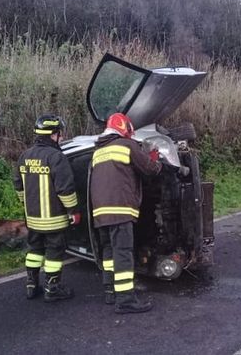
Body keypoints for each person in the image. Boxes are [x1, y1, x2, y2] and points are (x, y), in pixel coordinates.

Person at [90, 113, 162, 314]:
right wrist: (155, 159)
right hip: (119, 209)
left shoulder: (98, 151)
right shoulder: (127, 145)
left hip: (100, 212)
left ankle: (109, 291)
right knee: (123, 253)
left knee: (109, 251)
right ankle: (125, 300)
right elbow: (150, 169)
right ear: (125, 128)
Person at [14, 114, 81, 302]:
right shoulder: (56, 157)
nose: (62, 136)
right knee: (54, 252)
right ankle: (53, 288)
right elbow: (65, 189)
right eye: (60, 133)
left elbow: (18, 186)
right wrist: (73, 210)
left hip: (33, 219)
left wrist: (26, 204)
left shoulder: (25, 156)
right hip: (54, 219)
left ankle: (31, 285)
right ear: (54, 134)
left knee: (34, 250)